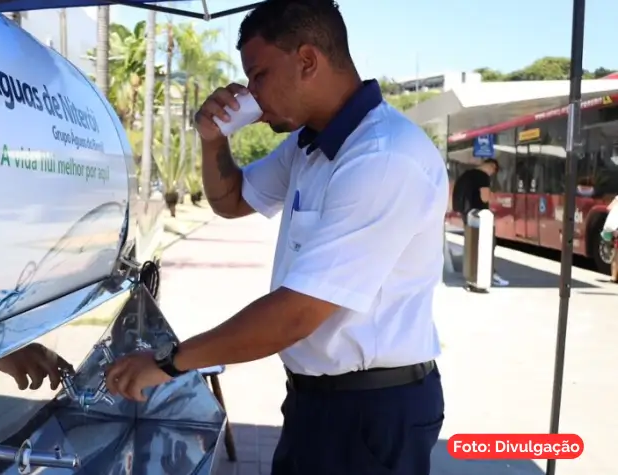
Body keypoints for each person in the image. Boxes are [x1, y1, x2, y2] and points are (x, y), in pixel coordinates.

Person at [104, 1, 447, 474]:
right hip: (319, 399)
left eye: (259, 74)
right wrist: (213, 139)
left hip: (370, 409)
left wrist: (168, 362)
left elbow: (297, 314)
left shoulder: (382, 158)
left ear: (307, 60)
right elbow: (231, 201)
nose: (252, 93)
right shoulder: (309, 145)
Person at [451, 159, 510, 286]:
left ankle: (473, 274)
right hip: (479, 215)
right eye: (494, 171)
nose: (492, 174)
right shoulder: (483, 177)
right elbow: (485, 197)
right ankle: (490, 274)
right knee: (488, 244)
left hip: (467, 214)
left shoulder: (467, 174)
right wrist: (495, 198)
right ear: (492, 166)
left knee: (473, 244)